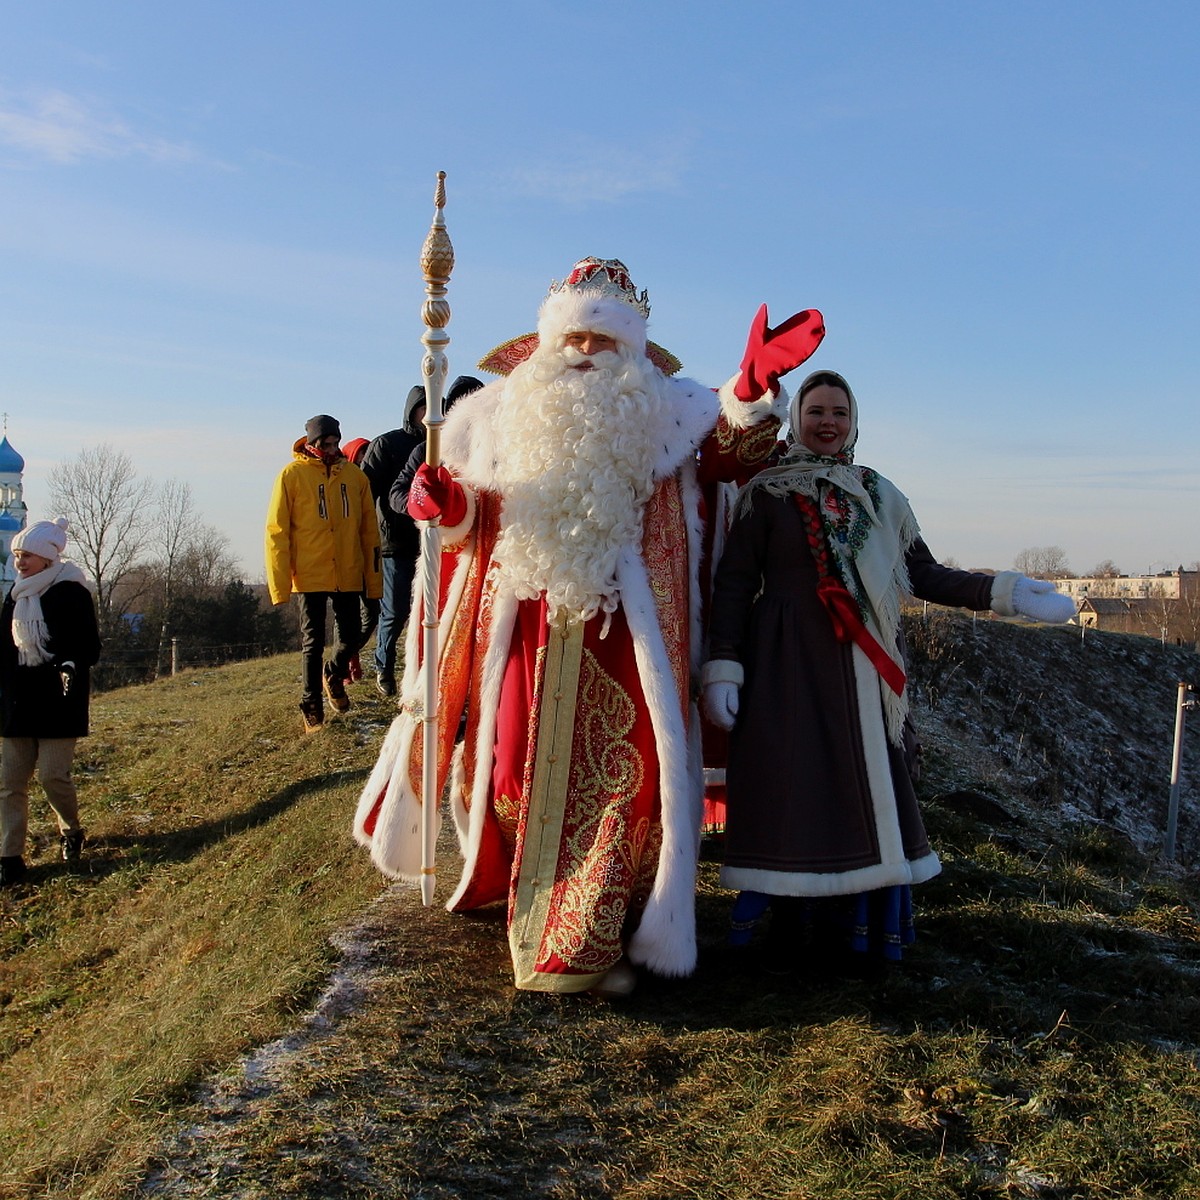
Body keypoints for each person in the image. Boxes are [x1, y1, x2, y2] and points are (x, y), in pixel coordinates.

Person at [354, 256, 824, 995]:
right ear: (544, 345)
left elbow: (735, 453)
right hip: (525, 628)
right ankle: (516, 886)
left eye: (602, 342)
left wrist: (752, 391)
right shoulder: (492, 417)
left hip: (631, 639)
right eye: (572, 339)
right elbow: (472, 517)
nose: (584, 352)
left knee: (623, 784)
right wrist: (442, 505)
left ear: (632, 350)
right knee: (508, 767)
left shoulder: (674, 413)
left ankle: (590, 928)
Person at [702, 369, 1077, 976]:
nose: (828, 422)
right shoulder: (766, 494)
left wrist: (1007, 593)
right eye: (817, 411)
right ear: (797, 419)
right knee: (795, 786)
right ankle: (782, 926)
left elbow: (924, 576)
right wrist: (725, 666)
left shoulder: (881, 495)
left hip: (867, 671)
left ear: (854, 423)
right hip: (786, 667)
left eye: (840, 413)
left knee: (864, 785)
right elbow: (735, 584)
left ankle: (859, 928)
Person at [361, 378, 482, 698]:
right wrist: (423, 506)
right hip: (406, 545)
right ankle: (389, 669)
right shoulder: (422, 450)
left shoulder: (496, 450)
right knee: (402, 612)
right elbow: (392, 494)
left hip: (477, 555)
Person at [0, 518, 101, 887]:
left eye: (27, 555)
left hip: (58, 702)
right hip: (17, 703)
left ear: (46, 557)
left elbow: (89, 646)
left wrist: (70, 661)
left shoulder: (71, 592)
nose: (20, 563)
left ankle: (71, 830)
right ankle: (9, 857)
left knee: (51, 776)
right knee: (10, 783)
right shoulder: (15, 596)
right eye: (16, 556)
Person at [265, 415, 382, 733]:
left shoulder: (355, 478)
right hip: (309, 571)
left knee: (351, 636)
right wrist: (279, 584)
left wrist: (373, 581)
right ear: (313, 444)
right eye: (326, 444)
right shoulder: (291, 475)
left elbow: (369, 532)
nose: (332, 449)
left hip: (348, 569)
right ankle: (311, 702)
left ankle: (333, 673)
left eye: (335, 443)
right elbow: (277, 531)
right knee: (312, 641)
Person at [340, 436, 379, 685]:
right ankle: (343, 664)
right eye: (361, 453)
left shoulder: (372, 480)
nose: (366, 458)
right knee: (346, 617)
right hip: (344, 558)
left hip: (370, 554)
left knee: (371, 615)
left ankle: (347, 654)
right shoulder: (345, 483)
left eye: (368, 451)